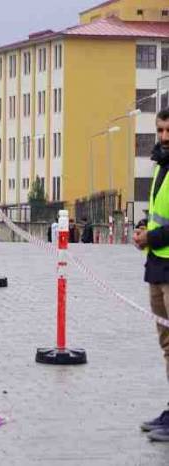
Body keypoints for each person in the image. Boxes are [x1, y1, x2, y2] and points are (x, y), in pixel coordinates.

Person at [134, 109, 169, 441]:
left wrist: (152, 237)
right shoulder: (161, 167)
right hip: (157, 266)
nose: (164, 137)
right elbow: (159, 214)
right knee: (167, 344)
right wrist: (143, 229)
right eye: (160, 130)